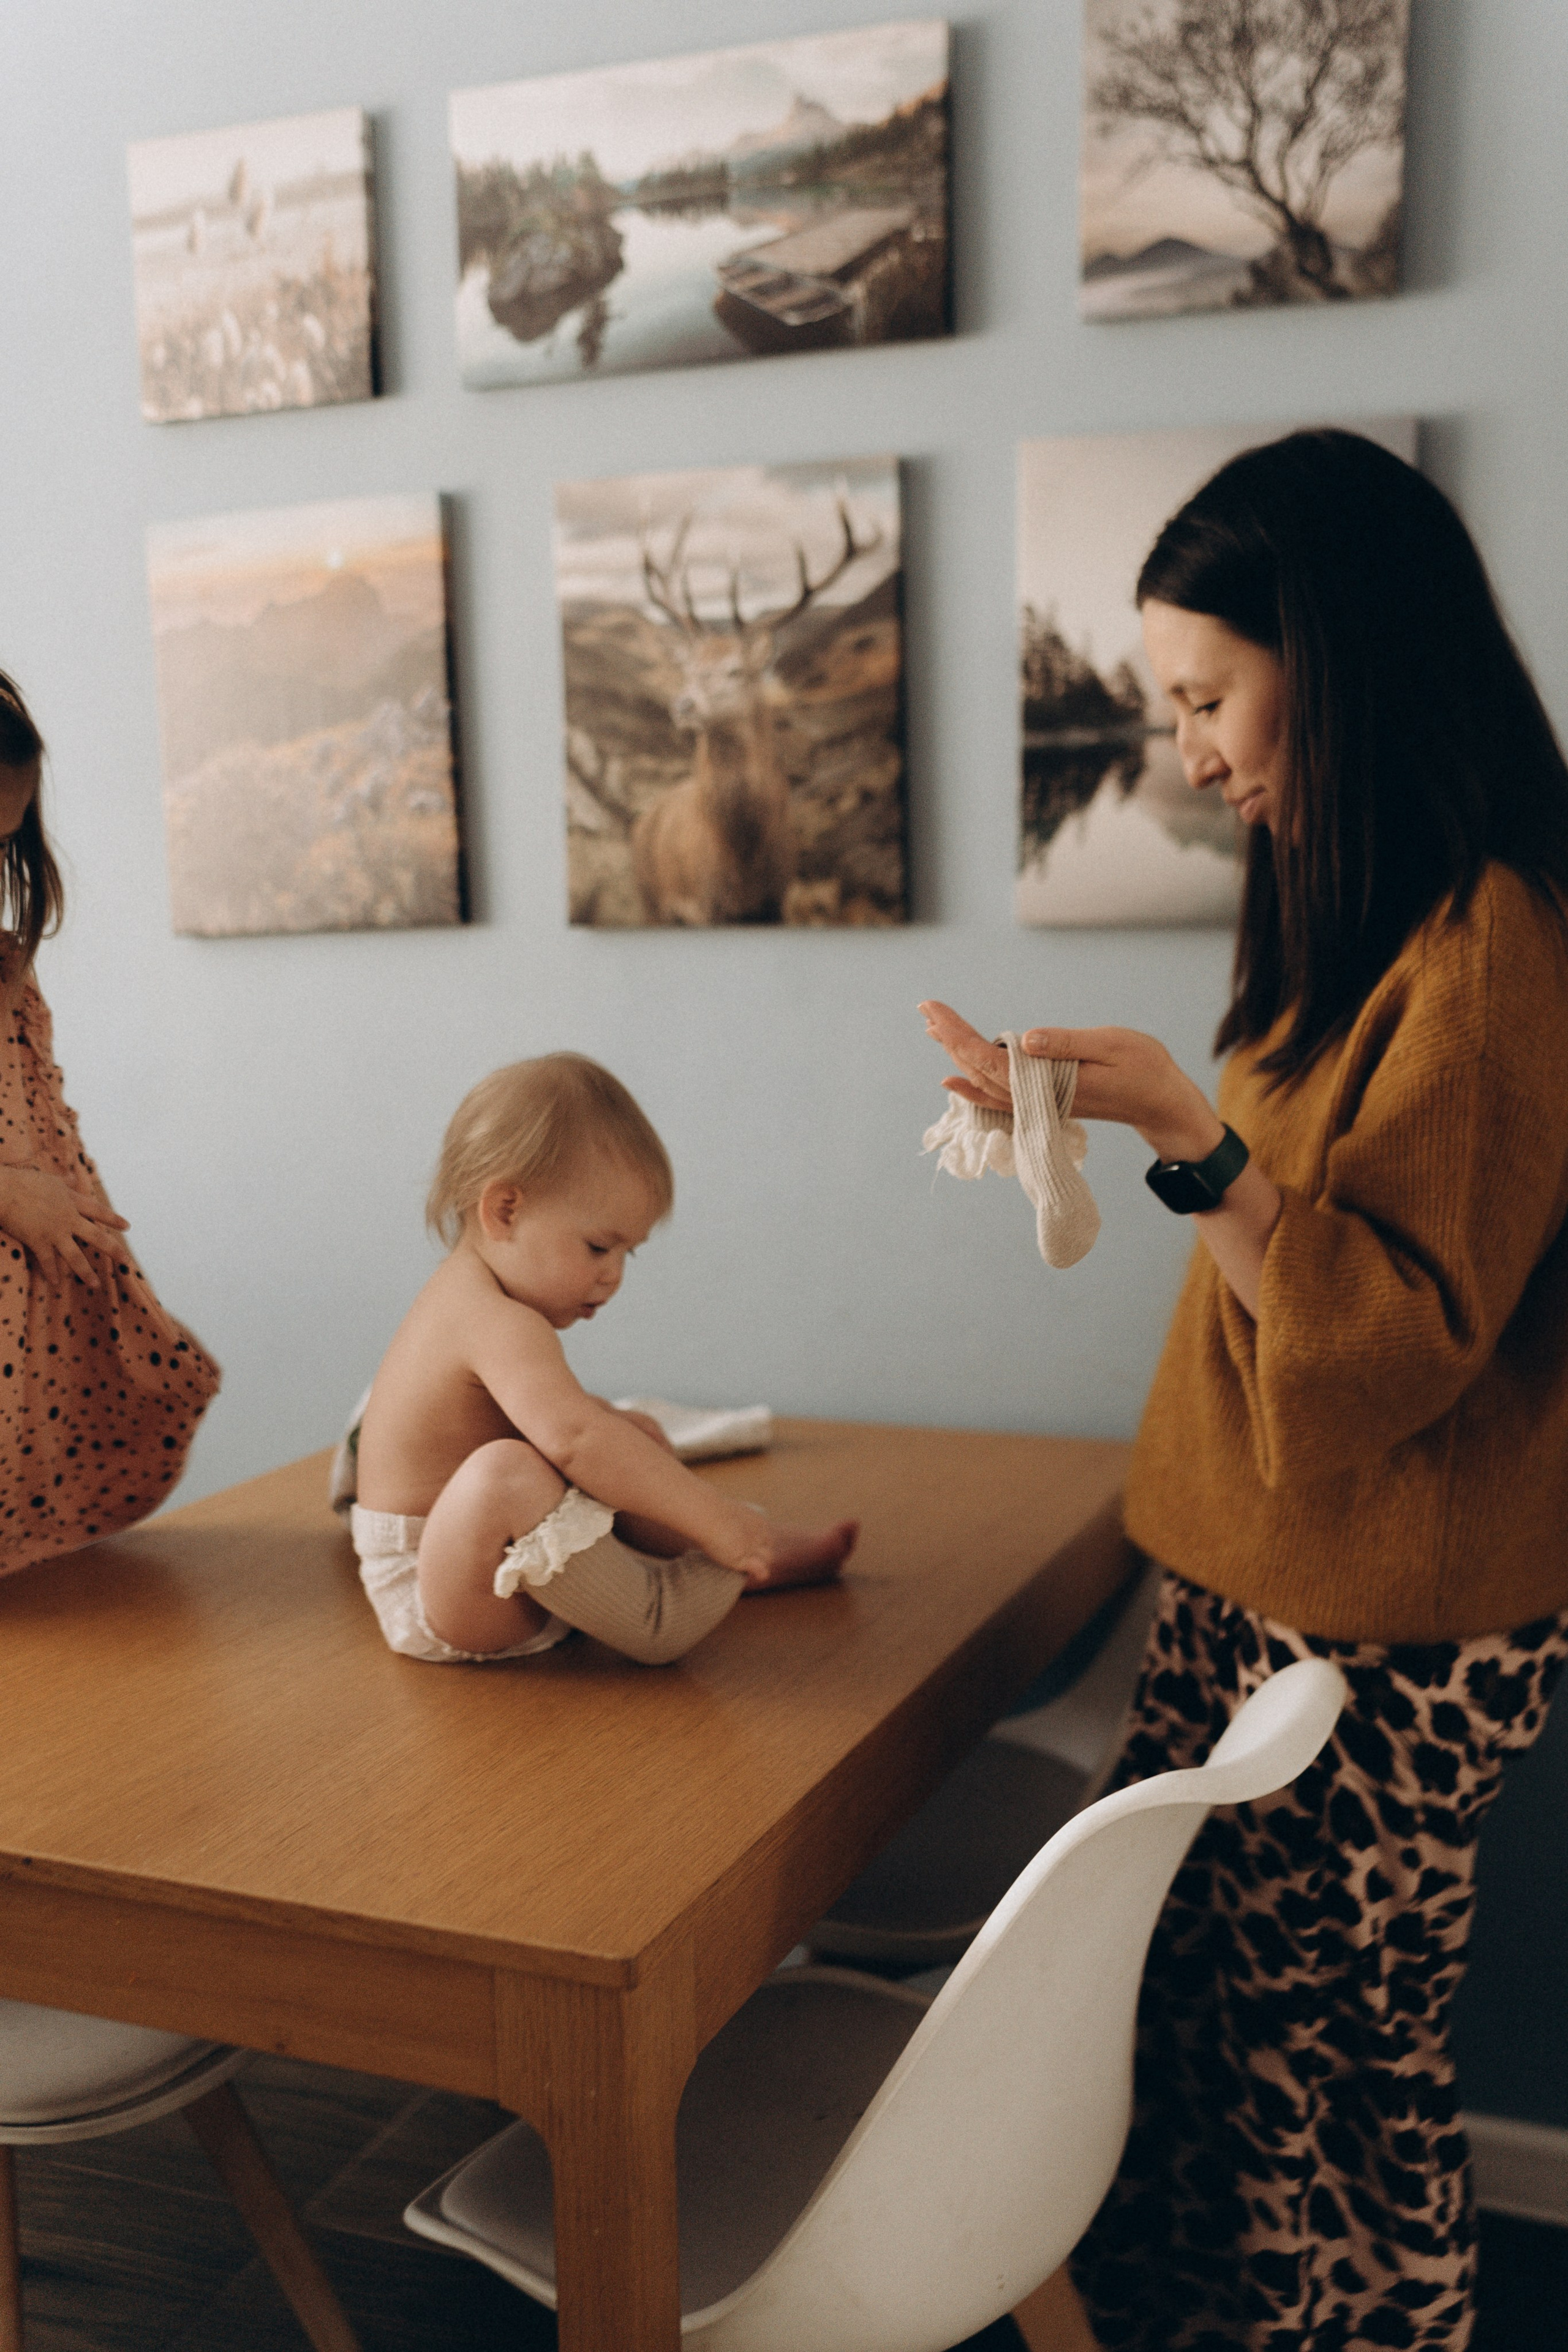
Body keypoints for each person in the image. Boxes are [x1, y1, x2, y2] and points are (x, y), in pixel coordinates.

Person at [921, 429, 1568, 2352]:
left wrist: (1188, 1142)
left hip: (1382, 1626)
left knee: (1327, 2091)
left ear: (1338, 654)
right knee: (1218, 2054)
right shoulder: (1357, 909)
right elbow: (1297, 1251)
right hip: (1269, 1582)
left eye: (1208, 698)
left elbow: (1389, 1341)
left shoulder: (1489, 946)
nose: (1189, 754)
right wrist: (1127, 1123)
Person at [349, 1051, 856, 1666]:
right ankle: (659, 1608)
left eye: (627, 1254)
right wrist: (708, 1513)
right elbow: (573, 1441)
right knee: (517, 1470)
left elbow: (580, 1433)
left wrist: (638, 1449)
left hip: (491, 1556)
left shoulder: (481, 1297)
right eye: (597, 1247)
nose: (613, 1276)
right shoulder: (489, 1318)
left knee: (627, 1438)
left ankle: (753, 1550)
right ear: (505, 1210)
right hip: (440, 1586)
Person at [0, 672, 220, 1566]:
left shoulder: (7, 969)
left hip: (38, 1288)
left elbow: (44, 1105)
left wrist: (86, 1228)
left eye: (4, 836)